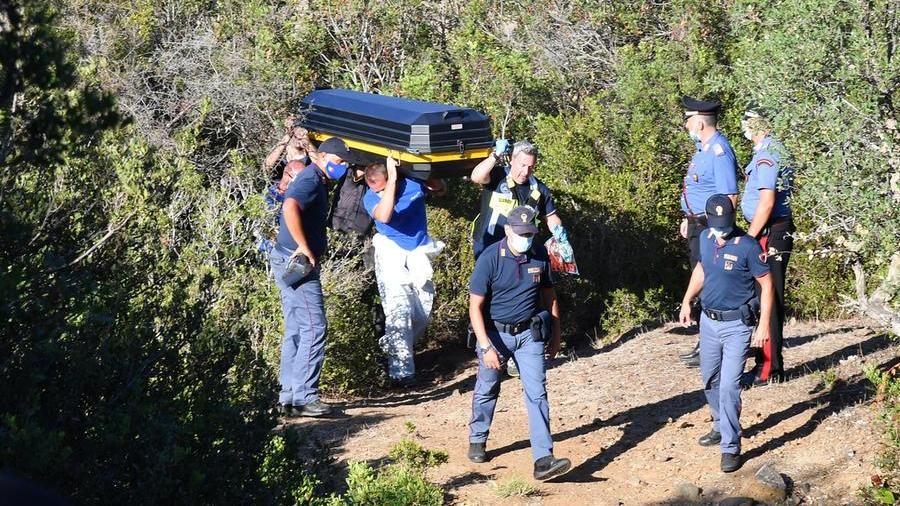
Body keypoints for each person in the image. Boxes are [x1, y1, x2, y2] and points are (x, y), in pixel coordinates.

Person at [467, 206, 571, 481]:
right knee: (488, 387)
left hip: (529, 335)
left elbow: (550, 297)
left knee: (537, 393)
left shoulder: (539, 254)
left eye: (530, 233)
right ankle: (478, 438)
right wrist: (486, 346)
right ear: (508, 231)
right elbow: (474, 307)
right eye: (521, 233)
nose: (526, 238)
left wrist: (556, 335)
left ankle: (543, 459)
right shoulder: (490, 258)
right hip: (494, 334)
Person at [678, 194, 773, 473]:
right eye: (717, 223)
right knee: (709, 379)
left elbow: (766, 287)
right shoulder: (707, 238)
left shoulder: (748, 246)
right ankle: (721, 425)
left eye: (726, 223)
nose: (722, 229)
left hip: (737, 326)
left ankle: (730, 446)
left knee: (730, 385)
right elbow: (701, 269)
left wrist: (763, 324)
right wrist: (687, 300)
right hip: (708, 322)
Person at [270, 136, 362, 417]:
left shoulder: (315, 177)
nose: (342, 167)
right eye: (338, 161)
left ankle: (288, 395)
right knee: (314, 326)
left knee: (297, 328)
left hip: (285, 258)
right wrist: (304, 246)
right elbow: (289, 207)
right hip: (297, 262)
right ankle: (305, 397)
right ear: (321, 157)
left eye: (345, 163)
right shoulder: (310, 179)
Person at [469, 139, 573, 378]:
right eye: (522, 165)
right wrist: (496, 155)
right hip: (490, 250)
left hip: (523, 252)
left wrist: (558, 231)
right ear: (512, 159)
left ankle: (520, 353)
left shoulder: (538, 188)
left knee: (528, 296)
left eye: (531, 167)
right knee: (486, 299)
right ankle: (488, 347)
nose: (525, 171)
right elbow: (477, 176)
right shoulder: (497, 177)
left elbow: (551, 215)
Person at [363, 156, 445, 387]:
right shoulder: (371, 197)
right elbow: (384, 215)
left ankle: (392, 346)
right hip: (391, 249)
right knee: (398, 309)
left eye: (381, 186)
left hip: (418, 248)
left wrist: (419, 174)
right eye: (375, 188)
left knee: (421, 312)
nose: (376, 192)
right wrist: (388, 187)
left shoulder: (412, 183)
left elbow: (439, 188)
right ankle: (402, 373)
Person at [677, 96, 740, 368]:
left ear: (700, 122)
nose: (686, 125)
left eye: (688, 120)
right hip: (696, 222)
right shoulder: (703, 149)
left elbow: (730, 196)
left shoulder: (719, 151)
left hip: (709, 225)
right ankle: (705, 341)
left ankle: (711, 345)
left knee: (708, 282)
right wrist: (686, 216)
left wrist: (720, 233)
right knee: (699, 279)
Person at [739, 107, 795, 386]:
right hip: (770, 230)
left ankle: (769, 369)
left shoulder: (767, 155)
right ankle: (764, 362)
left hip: (770, 232)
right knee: (763, 296)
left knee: (769, 297)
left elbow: (767, 202)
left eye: (747, 122)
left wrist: (750, 237)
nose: (744, 128)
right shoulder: (771, 150)